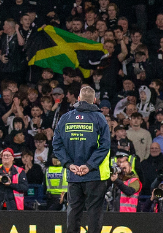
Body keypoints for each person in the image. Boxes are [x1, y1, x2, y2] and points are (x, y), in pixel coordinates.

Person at [53, 86, 111, 233]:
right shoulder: (99, 118)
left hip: (73, 173)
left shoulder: (65, 118)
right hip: (95, 174)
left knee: (73, 212)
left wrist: (68, 164)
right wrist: (89, 165)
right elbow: (105, 146)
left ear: (78, 99)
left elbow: (57, 145)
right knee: (94, 213)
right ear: (95, 100)